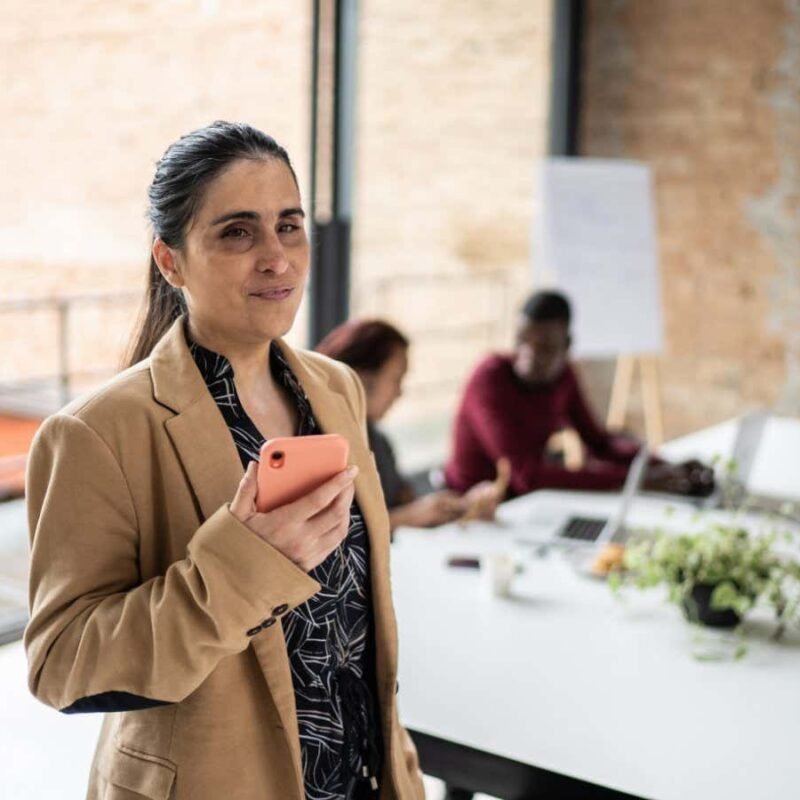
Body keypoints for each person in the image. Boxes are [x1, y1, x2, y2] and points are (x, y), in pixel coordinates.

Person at [24, 121, 424, 800]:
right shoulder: (97, 433)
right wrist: (239, 563)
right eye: (237, 232)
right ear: (170, 261)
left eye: (289, 226)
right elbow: (63, 666)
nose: (278, 258)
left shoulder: (337, 388)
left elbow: (356, 622)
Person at [444, 290, 714, 499]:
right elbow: (527, 476)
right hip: (471, 507)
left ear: (567, 346)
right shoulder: (489, 378)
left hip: (526, 503)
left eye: (546, 347)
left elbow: (598, 442)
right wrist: (642, 480)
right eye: (522, 341)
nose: (529, 357)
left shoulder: (563, 377)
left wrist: (664, 467)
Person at [316, 319, 508, 530]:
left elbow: (405, 501)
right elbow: (334, 534)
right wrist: (408, 517)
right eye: (396, 379)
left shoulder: (378, 442)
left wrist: (463, 506)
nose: (399, 392)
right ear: (361, 377)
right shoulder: (322, 446)